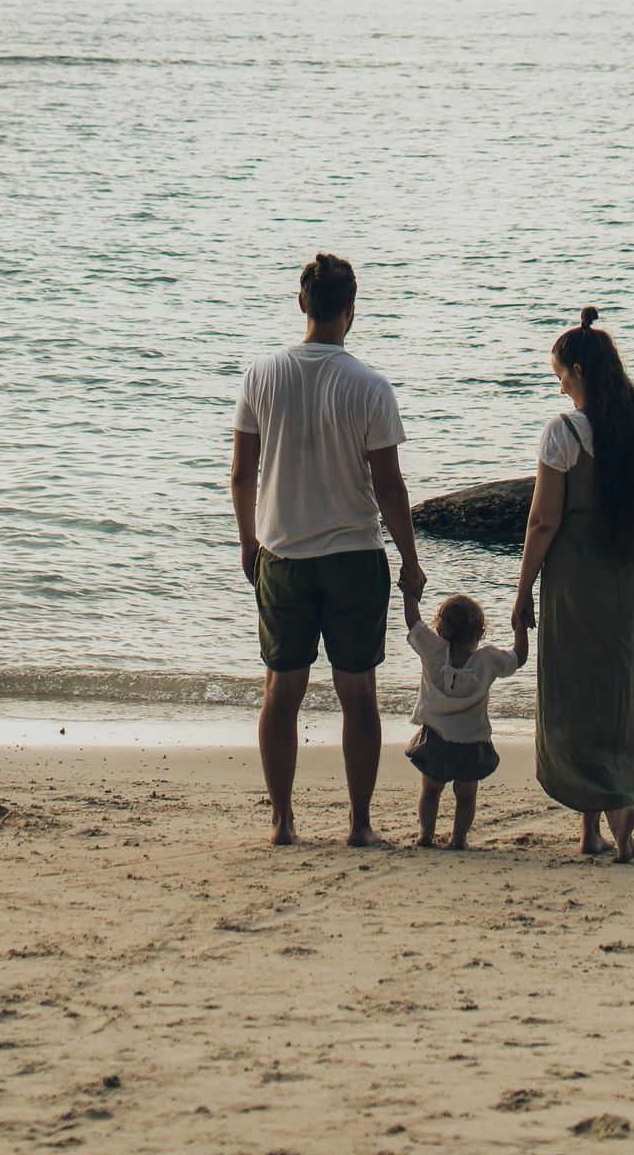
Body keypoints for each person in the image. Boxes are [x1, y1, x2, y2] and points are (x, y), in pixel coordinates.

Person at [230, 252, 425, 847]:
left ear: (302, 304)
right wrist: (411, 560)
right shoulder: (369, 385)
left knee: (281, 689)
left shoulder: (262, 374)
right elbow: (389, 486)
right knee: (358, 691)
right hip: (352, 555)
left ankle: (282, 820)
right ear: (350, 310)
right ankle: (360, 823)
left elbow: (243, 471)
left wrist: (248, 540)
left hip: (283, 553)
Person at [510, 306, 634, 861]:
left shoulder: (563, 434)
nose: (558, 385)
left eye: (560, 373)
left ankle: (588, 829)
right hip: (633, 571)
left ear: (578, 369)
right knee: (627, 691)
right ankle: (621, 814)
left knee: (577, 693)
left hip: (575, 577)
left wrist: (523, 587)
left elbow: (544, 519)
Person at [401, 586, 521, 850]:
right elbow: (518, 658)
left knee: (431, 790)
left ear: (441, 629)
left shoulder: (433, 651)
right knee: (466, 795)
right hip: (471, 742)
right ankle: (459, 838)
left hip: (435, 739)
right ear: (479, 632)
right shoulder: (487, 659)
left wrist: (408, 590)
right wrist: (520, 624)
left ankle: (425, 834)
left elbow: (413, 623)